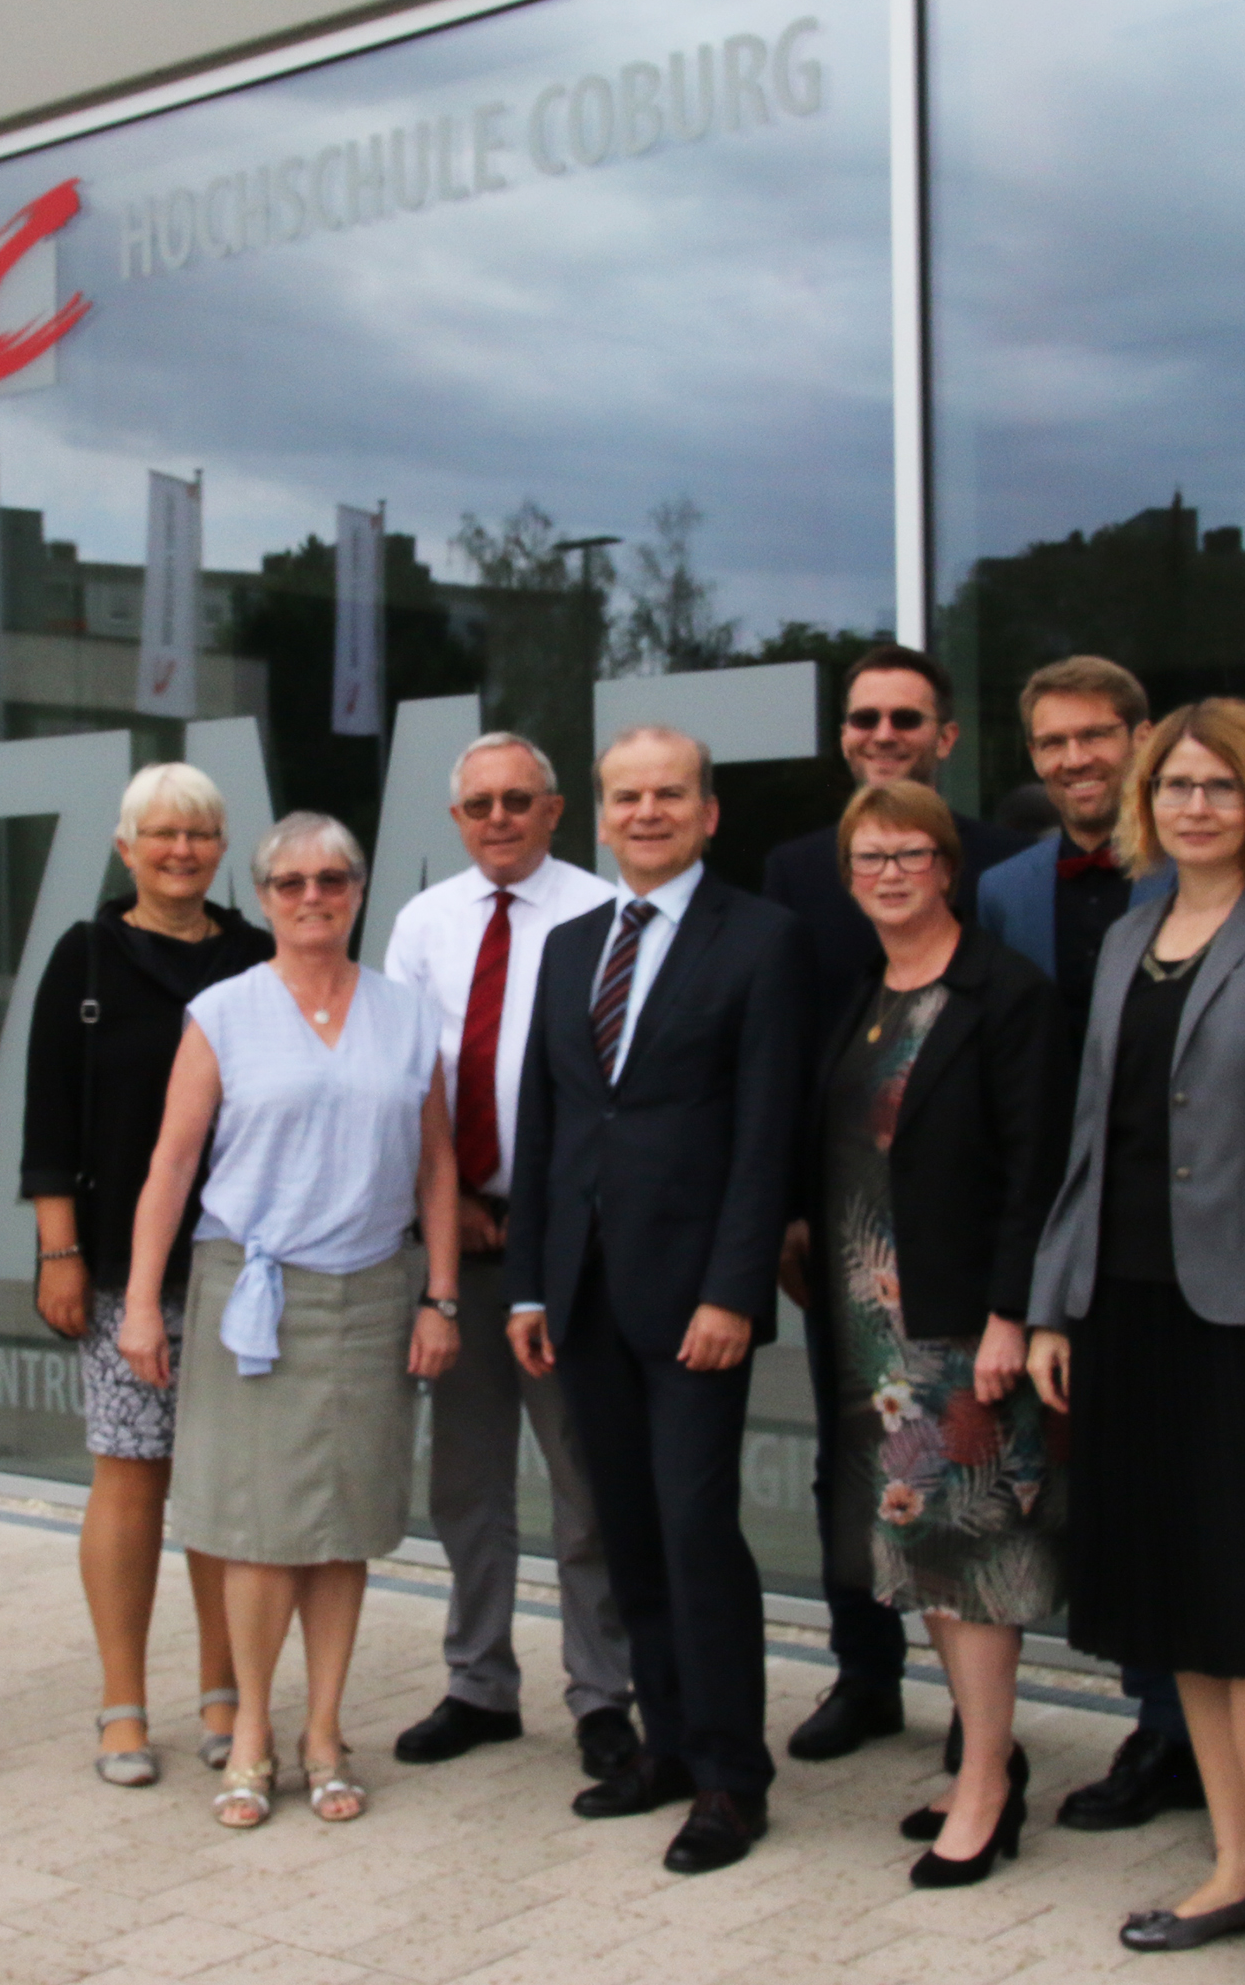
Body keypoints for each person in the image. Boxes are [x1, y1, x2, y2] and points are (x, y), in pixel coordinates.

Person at [1027, 698, 1245, 1983]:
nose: (1193, 805)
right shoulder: (1130, 938)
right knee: (1182, 1612)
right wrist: (1059, 1301)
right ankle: (1231, 1868)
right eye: (1174, 784)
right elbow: (1093, 1139)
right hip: (1127, 1316)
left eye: (1219, 786)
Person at [506, 725, 812, 1876]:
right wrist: (527, 1282)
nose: (647, 812)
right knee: (627, 1532)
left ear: (708, 812)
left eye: (669, 795)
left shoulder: (764, 941)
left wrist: (735, 1290)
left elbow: (766, 1133)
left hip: (697, 1303)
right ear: (602, 812)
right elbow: (548, 1124)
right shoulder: (571, 942)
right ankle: (668, 1744)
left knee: (695, 1530)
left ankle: (735, 1777)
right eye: (627, 796)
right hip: (581, 1293)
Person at [120, 812, 461, 1830]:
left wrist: (441, 1294)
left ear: (360, 891)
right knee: (259, 1530)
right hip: (250, 1297)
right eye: (290, 883)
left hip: (370, 1293)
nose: (312, 898)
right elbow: (171, 1166)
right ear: (263, 898)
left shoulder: (407, 1016)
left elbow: (437, 1165)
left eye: (332, 880)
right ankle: (255, 1734)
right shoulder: (221, 1012)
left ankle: (324, 1729)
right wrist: (143, 1301)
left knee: (344, 1526)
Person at [763, 643, 1031, 1763]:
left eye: (906, 719)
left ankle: (985, 1734)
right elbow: (781, 1056)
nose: (884, 735)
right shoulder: (791, 869)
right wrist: (788, 1211)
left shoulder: (1005, 868)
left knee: (965, 1480)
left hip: (955, 1243)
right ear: (842, 736)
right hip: (842, 1239)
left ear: (947, 736)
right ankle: (865, 1675)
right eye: (864, 718)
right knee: (851, 1459)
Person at [798, 781, 1068, 1888]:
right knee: (924, 1564)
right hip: (873, 1335)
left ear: (947, 867)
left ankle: (988, 1786)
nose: (890, 872)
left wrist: (1014, 1311)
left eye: (911, 852)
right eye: (869, 856)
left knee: (974, 1565)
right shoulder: (864, 990)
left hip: (961, 1331)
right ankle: (980, 1769)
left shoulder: (1004, 995)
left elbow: (1034, 1167)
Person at [976, 656, 1206, 1832]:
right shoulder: (1008, 889)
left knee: (1202, 1495)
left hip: (1193, 1233)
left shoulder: (1215, 869)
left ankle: (1217, 1743)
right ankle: (1160, 1725)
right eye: (1052, 742)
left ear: (1141, 738)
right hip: (1066, 1240)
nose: (1075, 760)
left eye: (1095, 736)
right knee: (1104, 1495)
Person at [382, 734, 639, 1777]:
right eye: (478, 805)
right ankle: (478, 1683)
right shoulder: (421, 923)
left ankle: (601, 1695)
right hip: (458, 1246)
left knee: (582, 1484)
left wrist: (537, 1223)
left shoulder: (601, 912)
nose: (497, 819)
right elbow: (400, 1083)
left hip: (567, 1250)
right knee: (466, 1483)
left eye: (517, 802)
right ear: (456, 820)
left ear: (554, 810)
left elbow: (613, 1093)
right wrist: (445, 1217)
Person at [21, 762, 272, 1787]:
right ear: (125, 848)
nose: (181, 851)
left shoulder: (259, 954)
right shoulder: (84, 958)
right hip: (127, 1269)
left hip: (246, 1269)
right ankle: (122, 1704)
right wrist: (60, 1250)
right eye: (161, 835)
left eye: (201, 835)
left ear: (221, 848)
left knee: (227, 1488)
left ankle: (226, 1693)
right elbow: (46, 1120)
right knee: (130, 1477)